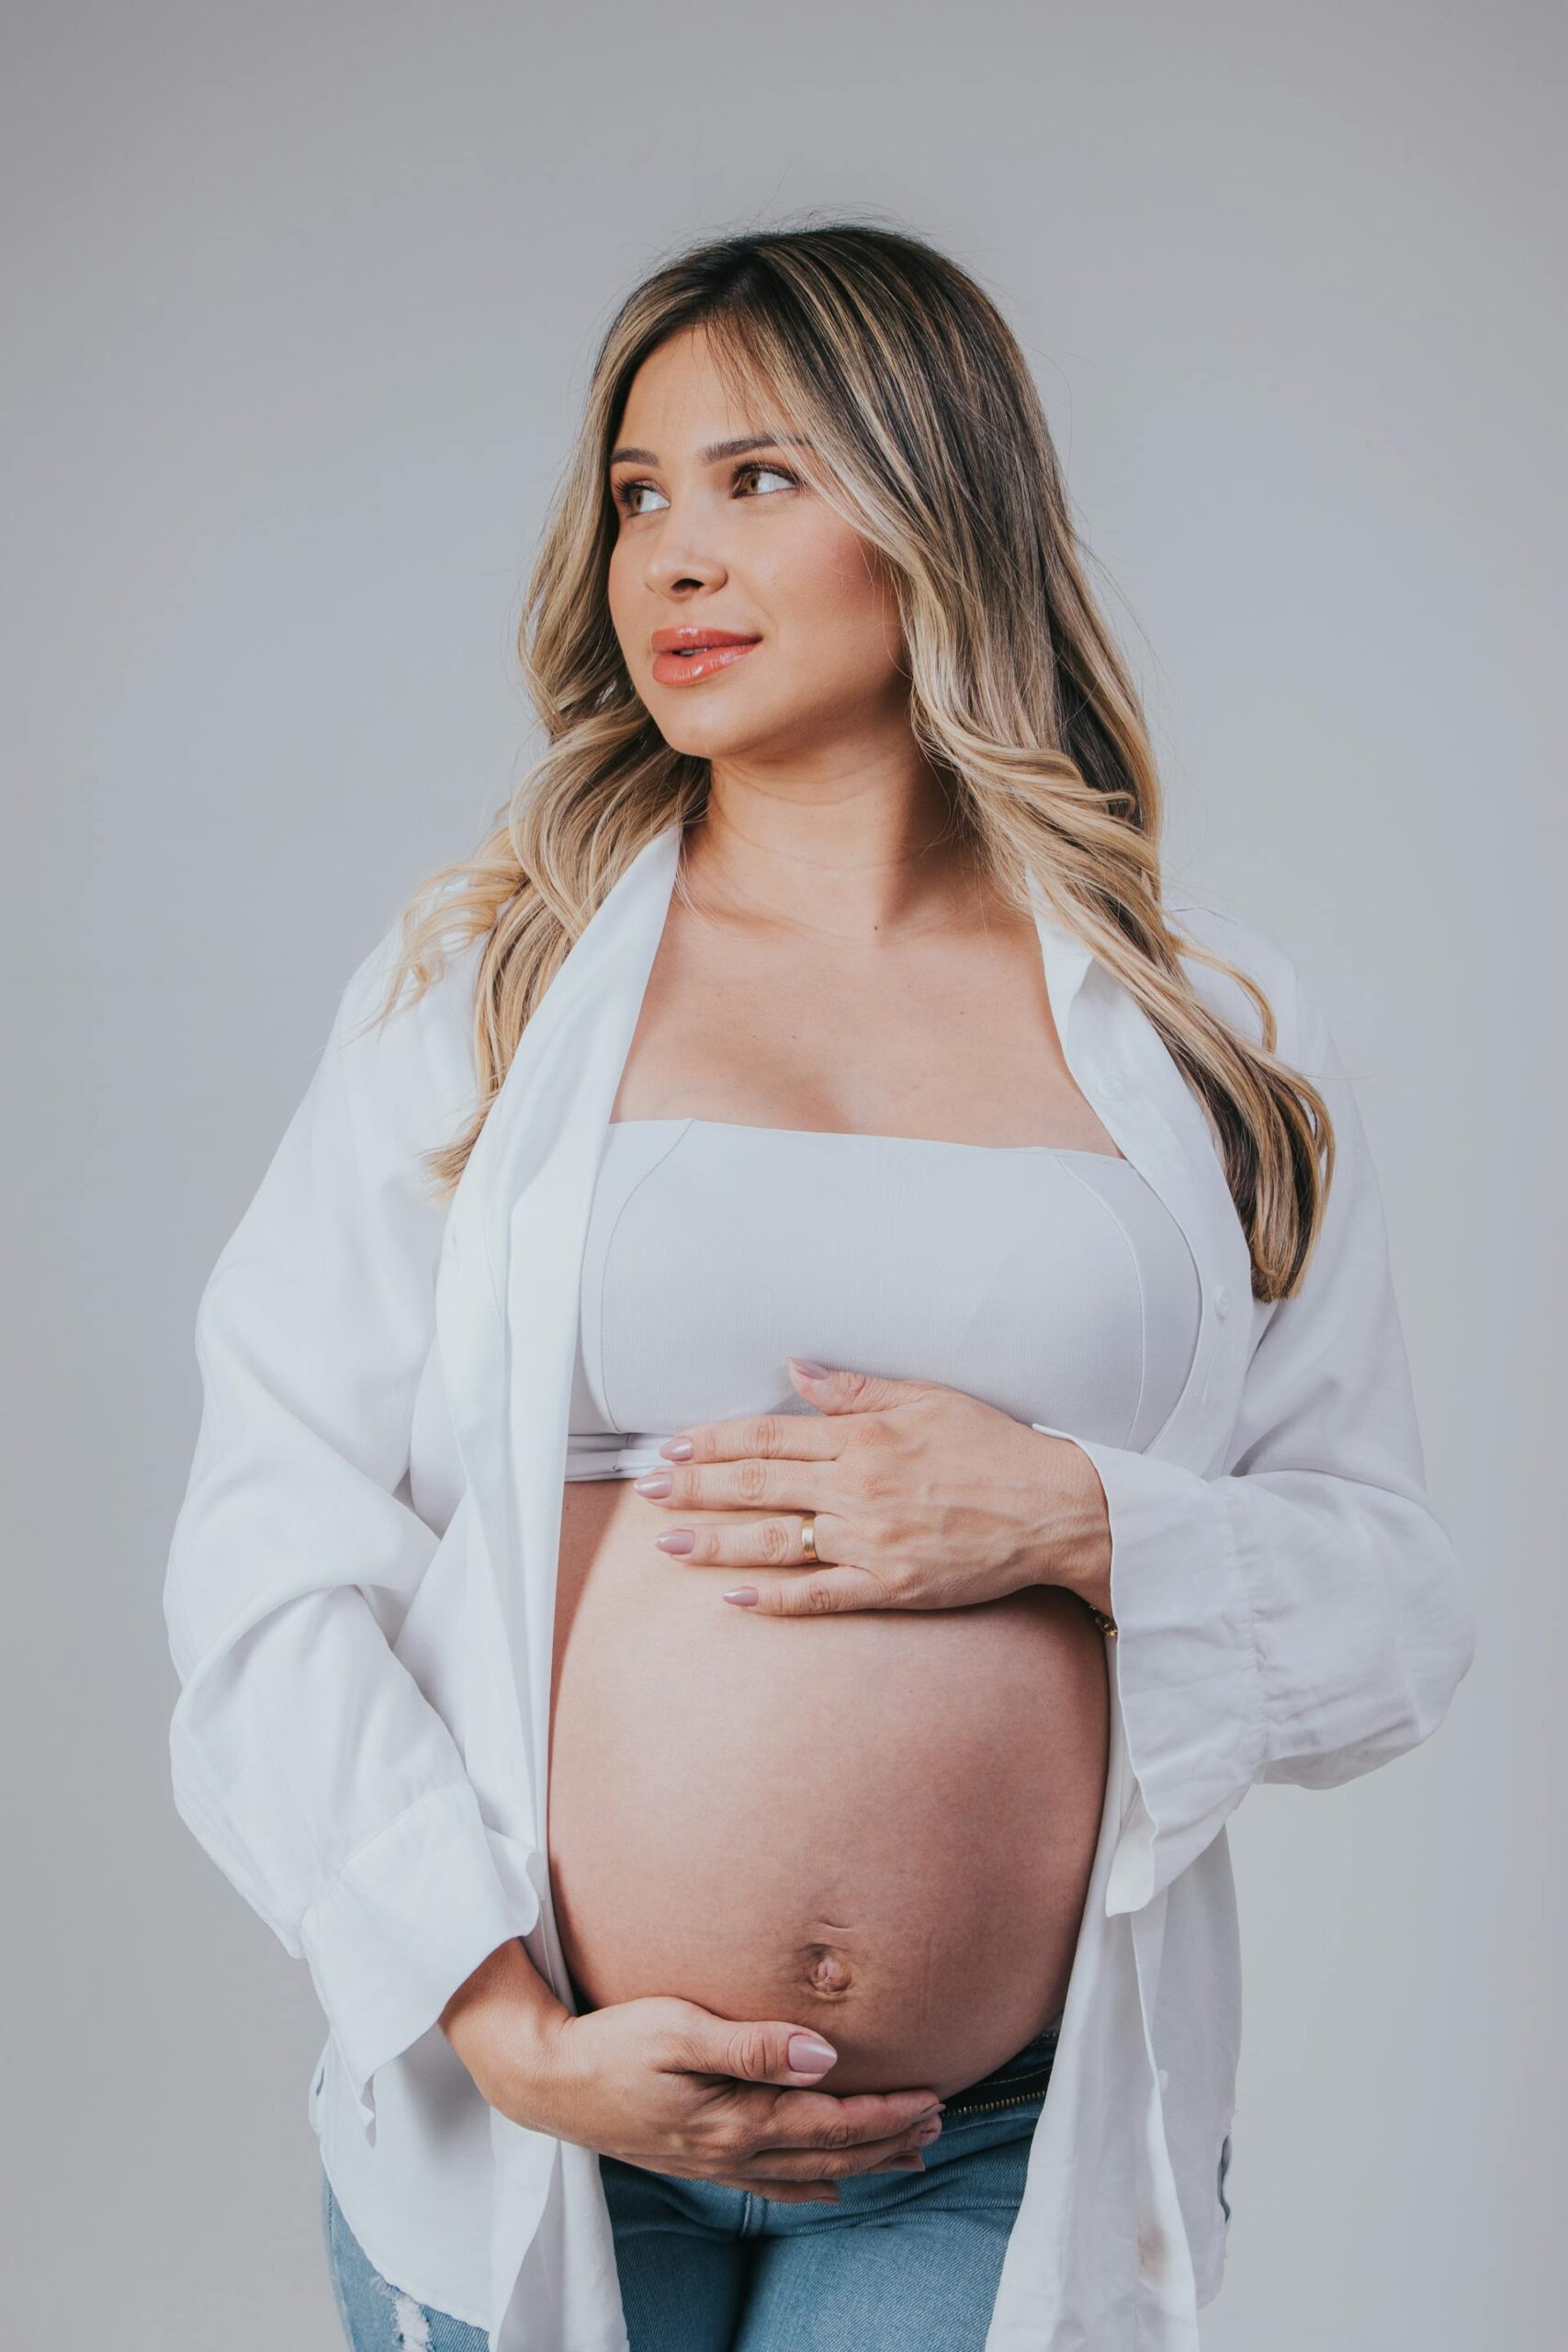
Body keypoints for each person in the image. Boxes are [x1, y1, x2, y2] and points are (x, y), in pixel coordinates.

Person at [163, 222, 1477, 2352]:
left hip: (996, 2134)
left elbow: (1391, 1608)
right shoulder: (480, 985)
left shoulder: (1204, 1021)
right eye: (636, 494)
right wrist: (492, 2019)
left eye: (757, 478)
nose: (673, 554)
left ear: (939, 506)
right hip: (544, 2104)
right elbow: (266, 1545)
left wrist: (1068, 1512)